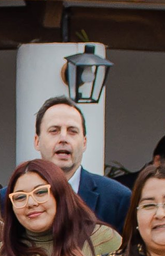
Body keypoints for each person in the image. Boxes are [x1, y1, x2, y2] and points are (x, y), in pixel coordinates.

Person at [32, 96, 131, 228]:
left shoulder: (116, 198)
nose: (63, 138)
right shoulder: (9, 199)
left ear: (84, 142)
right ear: (37, 141)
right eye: (54, 131)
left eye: (72, 131)